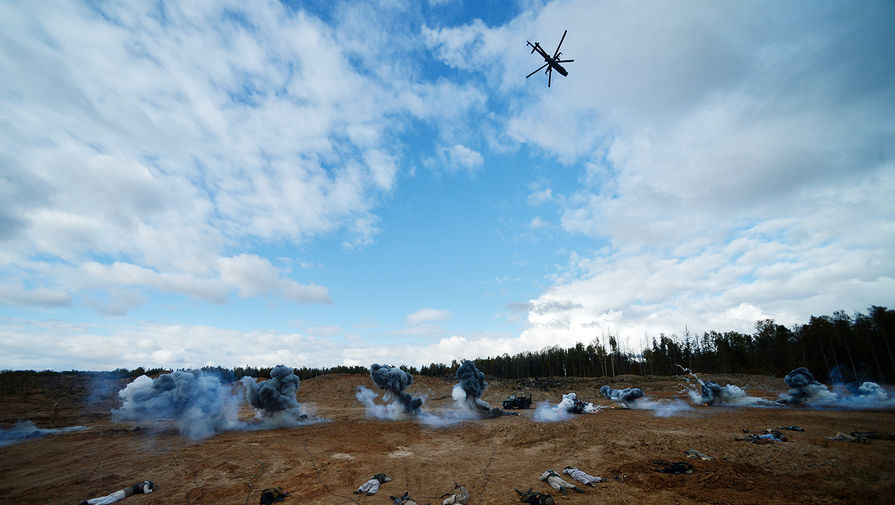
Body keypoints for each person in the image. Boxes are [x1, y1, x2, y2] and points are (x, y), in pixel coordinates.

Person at [78, 481, 154, 505]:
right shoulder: (145, 485)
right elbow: (146, 491)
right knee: (106, 502)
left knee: (104, 498)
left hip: (121, 491)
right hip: (122, 494)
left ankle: (86, 502)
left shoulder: (139, 484)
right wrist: (151, 490)